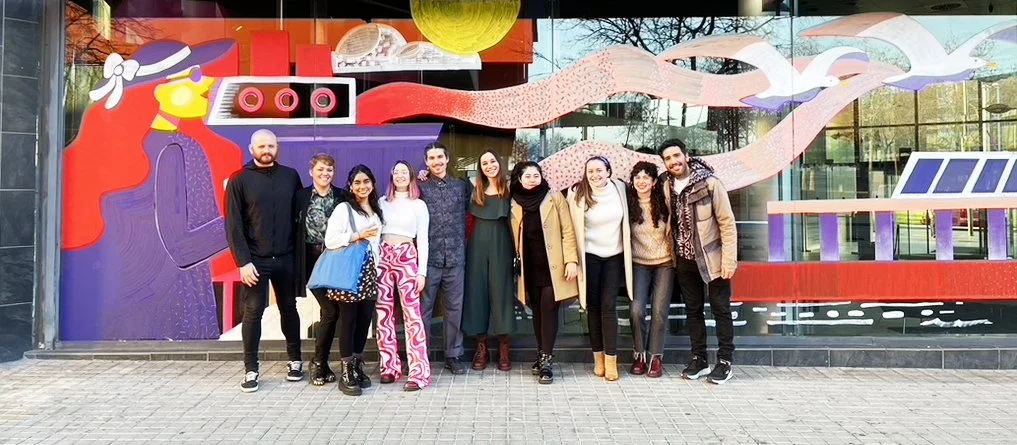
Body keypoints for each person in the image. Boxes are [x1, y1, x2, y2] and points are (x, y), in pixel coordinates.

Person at [225, 129, 305, 393]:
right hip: (255, 261)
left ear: (276, 148)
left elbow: (299, 218)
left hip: (286, 257)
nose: (266, 150)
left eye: (271, 146)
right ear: (252, 149)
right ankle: (251, 369)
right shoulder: (239, 180)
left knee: (289, 309)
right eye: (261, 146)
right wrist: (243, 262)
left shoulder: (290, 176)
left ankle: (295, 361)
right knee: (253, 312)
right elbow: (233, 226)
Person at [658, 138, 738, 385]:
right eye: (668, 158)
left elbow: (727, 223)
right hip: (684, 259)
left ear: (686, 155)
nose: (673, 161)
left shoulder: (710, 183)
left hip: (712, 258)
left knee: (720, 309)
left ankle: (724, 362)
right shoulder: (666, 185)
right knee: (693, 310)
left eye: (676, 156)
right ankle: (699, 359)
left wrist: (729, 260)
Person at [509, 162, 579, 384]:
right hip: (529, 266)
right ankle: (541, 355)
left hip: (553, 265)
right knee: (537, 311)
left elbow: (568, 230)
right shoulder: (514, 201)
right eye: (528, 176)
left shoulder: (554, 197)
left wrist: (571, 260)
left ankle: (547, 361)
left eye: (536, 175)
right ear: (520, 179)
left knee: (549, 309)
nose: (532, 179)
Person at [566, 156, 633, 382]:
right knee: (592, 307)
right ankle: (599, 359)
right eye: (590, 171)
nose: (595, 175)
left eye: (599, 170)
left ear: (608, 171)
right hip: (589, 256)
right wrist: (571, 259)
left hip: (614, 256)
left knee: (609, 306)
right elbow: (569, 229)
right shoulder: (577, 193)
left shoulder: (621, 189)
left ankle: (612, 359)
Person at [323, 165, 384, 396]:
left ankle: (358, 365)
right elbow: (330, 240)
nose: (362, 186)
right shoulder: (344, 208)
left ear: (373, 184)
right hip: (349, 271)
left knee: (364, 320)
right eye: (357, 182)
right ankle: (346, 371)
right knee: (348, 321)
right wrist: (357, 235)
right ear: (350, 186)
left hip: (370, 271)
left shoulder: (376, 209)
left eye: (366, 181)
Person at [294, 153, 351, 386]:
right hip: (311, 258)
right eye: (320, 169)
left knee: (331, 312)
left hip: (336, 258)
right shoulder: (300, 196)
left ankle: (322, 363)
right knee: (329, 310)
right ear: (311, 172)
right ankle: (318, 362)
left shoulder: (342, 196)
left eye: (329, 170)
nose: (325, 174)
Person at [376, 161, 432, 392]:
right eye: (396, 172)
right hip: (383, 255)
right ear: (391, 176)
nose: (400, 175)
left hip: (407, 256)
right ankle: (389, 366)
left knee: (412, 315)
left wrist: (421, 272)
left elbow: (423, 240)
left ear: (411, 176)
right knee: (383, 313)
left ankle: (419, 372)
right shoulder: (381, 202)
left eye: (404, 172)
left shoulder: (418, 205)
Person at [417, 142, 472, 374]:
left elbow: (472, 211)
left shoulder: (460, 186)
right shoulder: (419, 187)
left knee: (454, 309)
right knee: (423, 309)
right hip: (429, 259)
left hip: (456, 257)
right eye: (431, 158)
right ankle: (420, 356)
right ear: (426, 162)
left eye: (440, 157)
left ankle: (453, 355)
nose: (436, 162)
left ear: (447, 159)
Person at [463, 151, 516, 371]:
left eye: (492, 161)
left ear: (500, 163)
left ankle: (504, 346)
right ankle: (481, 347)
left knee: (501, 293)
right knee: (477, 294)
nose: (489, 166)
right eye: (484, 163)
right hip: (476, 247)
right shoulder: (473, 189)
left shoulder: (511, 188)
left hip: (502, 246)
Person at [625, 161, 673, 378]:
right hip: (638, 263)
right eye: (637, 177)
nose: (641, 181)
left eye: (646, 177)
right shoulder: (627, 203)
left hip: (665, 263)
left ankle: (655, 358)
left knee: (659, 312)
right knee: (636, 311)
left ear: (654, 182)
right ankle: (639, 355)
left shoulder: (665, 202)